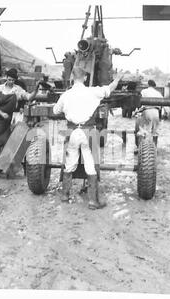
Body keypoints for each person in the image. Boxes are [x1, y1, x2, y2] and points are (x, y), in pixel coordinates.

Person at [53, 66, 124, 210]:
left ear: (73, 78)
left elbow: (55, 111)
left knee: (70, 163)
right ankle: (93, 201)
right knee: (90, 164)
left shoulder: (66, 95)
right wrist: (117, 79)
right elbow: (110, 88)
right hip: (88, 132)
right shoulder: (93, 92)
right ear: (85, 78)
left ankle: (65, 195)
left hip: (72, 132)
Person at [0, 68, 39, 164]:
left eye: (13, 80)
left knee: (5, 141)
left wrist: (35, 91)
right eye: (9, 79)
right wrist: (1, 113)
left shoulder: (17, 90)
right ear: (6, 78)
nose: (11, 82)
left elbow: (28, 97)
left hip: (7, 120)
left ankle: (3, 164)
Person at [136, 79, 165, 146]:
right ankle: (154, 147)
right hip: (156, 112)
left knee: (145, 131)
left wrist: (138, 111)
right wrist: (160, 117)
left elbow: (139, 101)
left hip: (147, 111)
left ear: (148, 85)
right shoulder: (158, 93)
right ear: (154, 86)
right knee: (155, 131)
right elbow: (162, 106)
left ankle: (143, 147)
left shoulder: (144, 91)